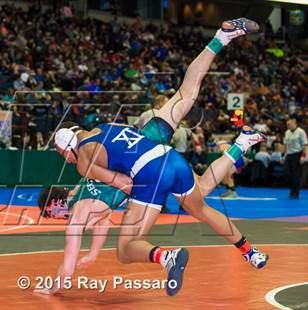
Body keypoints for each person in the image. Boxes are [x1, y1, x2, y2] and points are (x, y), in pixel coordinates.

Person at [51, 19, 268, 296]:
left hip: (151, 171)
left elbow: (126, 184)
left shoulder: (83, 162)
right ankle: (220, 41)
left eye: (62, 156)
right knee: (187, 93)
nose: (66, 161)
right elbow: (132, 141)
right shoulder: (103, 127)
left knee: (126, 248)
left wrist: (122, 203)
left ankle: (167, 257)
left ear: (67, 147)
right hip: (158, 146)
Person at [283, 117, 308, 199]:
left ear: (294, 123)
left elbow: (305, 145)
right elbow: (285, 145)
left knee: (296, 175)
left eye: (289, 124)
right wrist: (283, 155)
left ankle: (295, 192)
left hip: (297, 155)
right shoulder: (287, 132)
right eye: (287, 124)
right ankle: (292, 189)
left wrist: (303, 156)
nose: (288, 126)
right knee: (286, 173)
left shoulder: (301, 132)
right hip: (289, 155)